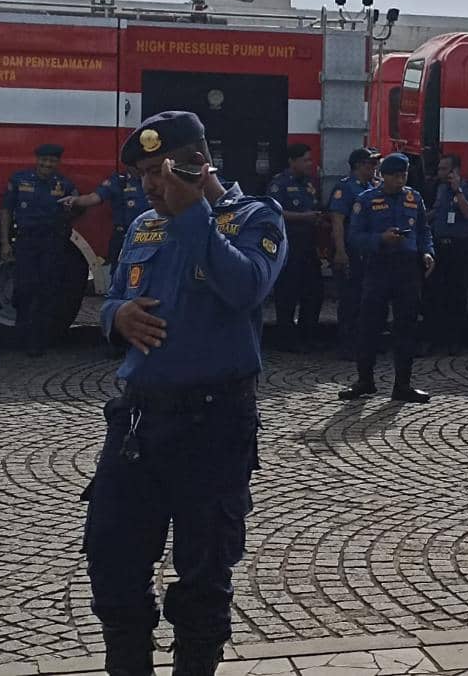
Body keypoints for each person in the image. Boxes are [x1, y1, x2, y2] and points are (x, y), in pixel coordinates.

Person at [84, 111, 287, 676]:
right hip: (138, 424)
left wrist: (195, 212)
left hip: (213, 425)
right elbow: (113, 296)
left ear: (196, 164)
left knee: (204, 570)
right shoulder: (144, 225)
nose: (148, 185)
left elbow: (246, 287)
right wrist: (115, 315)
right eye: (142, 175)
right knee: (112, 559)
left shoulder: (252, 218)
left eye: (159, 171)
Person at [340, 153, 434, 403]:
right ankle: (365, 381)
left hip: (407, 269)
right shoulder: (367, 200)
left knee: (406, 327)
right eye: (394, 176)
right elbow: (355, 237)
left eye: (403, 175)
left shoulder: (414, 198)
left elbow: (423, 230)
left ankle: (403, 385)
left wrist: (427, 252)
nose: (399, 180)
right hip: (378, 267)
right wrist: (380, 239)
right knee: (369, 326)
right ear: (383, 175)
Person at [0, 143, 78, 356]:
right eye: (43, 160)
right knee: (24, 290)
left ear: (57, 162)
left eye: (52, 161)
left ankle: (38, 341)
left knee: (47, 292)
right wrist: (5, 243)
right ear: (37, 160)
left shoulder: (65, 185)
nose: (47, 164)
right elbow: (6, 211)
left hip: (52, 244)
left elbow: (75, 212)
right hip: (26, 242)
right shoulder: (19, 180)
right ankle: (20, 336)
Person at [268, 144, 323, 351]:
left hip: (309, 246)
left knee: (313, 292)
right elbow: (275, 212)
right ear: (292, 161)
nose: (310, 163)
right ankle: (287, 339)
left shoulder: (309, 183)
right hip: (289, 246)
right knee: (287, 294)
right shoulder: (279, 184)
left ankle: (308, 336)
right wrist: (304, 217)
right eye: (306, 160)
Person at [327, 148, 381, 360]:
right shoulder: (346, 188)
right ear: (359, 165)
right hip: (351, 251)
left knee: (367, 299)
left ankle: (364, 342)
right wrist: (340, 252)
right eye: (370, 164)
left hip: (368, 251)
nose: (374, 168)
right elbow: (337, 221)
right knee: (350, 299)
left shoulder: (371, 187)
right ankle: (348, 344)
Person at [425, 154, 468, 354]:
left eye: (443, 169)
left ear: (454, 171)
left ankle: (455, 341)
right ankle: (436, 339)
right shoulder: (438, 190)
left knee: (457, 294)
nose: (439, 173)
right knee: (436, 294)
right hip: (439, 246)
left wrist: (458, 191)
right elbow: (436, 213)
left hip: (460, 247)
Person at [67, 170, 151, 267]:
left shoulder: (155, 178)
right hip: (123, 237)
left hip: (149, 235)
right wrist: (75, 200)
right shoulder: (119, 180)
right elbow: (94, 198)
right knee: (119, 271)